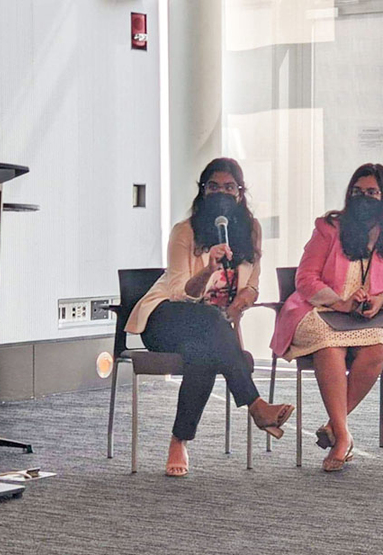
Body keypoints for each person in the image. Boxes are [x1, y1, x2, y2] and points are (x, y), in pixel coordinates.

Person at [126, 157, 294, 476]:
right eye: (213, 187)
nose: (221, 193)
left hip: (210, 331)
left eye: (229, 187)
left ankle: (179, 442)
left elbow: (253, 287)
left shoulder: (251, 231)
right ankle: (257, 407)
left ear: (240, 193)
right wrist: (209, 269)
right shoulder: (185, 232)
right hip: (166, 319)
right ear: (202, 192)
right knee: (212, 323)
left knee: (202, 354)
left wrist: (237, 306)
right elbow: (179, 292)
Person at [270, 163, 383, 472]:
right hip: (320, 307)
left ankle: (335, 425)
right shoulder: (329, 227)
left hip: (369, 313)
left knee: (378, 348)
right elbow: (305, 278)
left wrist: (381, 299)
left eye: (372, 193)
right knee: (328, 344)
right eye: (357, 192)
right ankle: (343, 436)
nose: (364, 198)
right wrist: (340, 303)